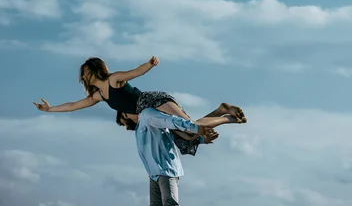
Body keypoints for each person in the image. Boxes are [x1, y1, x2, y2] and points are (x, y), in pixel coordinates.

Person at [34, 56, 247, 154]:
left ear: (95, 69)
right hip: (148, 112)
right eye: (82, 74)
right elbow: (73, 105)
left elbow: (134, 72)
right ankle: (221, 111)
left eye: (86, 72)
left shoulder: (113, 79)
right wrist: (49, 109)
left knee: (189, 127)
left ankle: (227, 116)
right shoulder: (100, 95)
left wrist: (150, 64)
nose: (83, 76)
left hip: (154, 101)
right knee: (189, 135)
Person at [116, 105, 237, 206]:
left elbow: (173, 124)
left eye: (123, 122)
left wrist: (199, 135)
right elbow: (177, 134)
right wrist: (200, 137)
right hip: (154, 173)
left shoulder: (148, 115)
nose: (126, 126)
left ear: (125, 113)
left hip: (166, 170)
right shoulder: (142, 126)